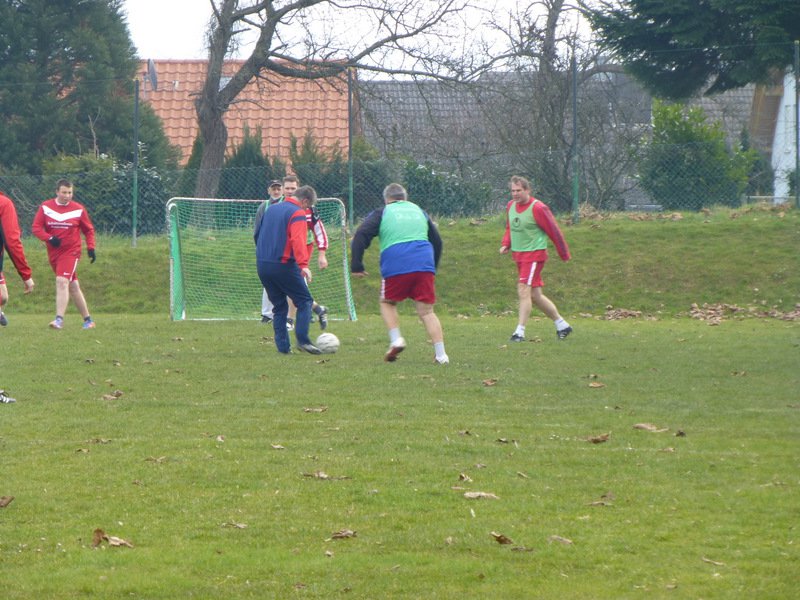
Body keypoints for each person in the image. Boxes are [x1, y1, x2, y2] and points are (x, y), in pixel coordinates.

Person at [350, 182, 448, 364]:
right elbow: (438, 241)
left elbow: (361, 234)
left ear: (387, 199)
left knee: (387, 302)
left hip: (397, 261)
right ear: (405, 198)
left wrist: (356, 264)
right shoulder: (419, 211)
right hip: (424, 263)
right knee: (426, 312)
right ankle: (441, 355)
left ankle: (396, 339)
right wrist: (432, 267)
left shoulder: (383, 212)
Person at [499, 175, 572, 342]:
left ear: (527, 190)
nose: (515, 194)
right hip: (519, 255)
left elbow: (554, 231)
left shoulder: (538, 208)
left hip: (534, 255)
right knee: (535, 296)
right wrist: (506, 244)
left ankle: (519, 332)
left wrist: (564, 253)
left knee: (523, 289)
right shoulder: (510, 206)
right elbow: (511, 227)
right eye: (512, 191)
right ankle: (562, 325)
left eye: (518, 190)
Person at [255, 184, 322, 354]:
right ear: (305, 201)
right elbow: (298, 240)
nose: (306, 209)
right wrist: (304, 265)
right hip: (283, 264)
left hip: (263, 264)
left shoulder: (271, 209)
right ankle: (303, 341)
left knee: (279, 307)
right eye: (307, 206)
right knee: (305, 301)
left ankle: (284, 349)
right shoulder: (297, 213)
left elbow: (257, 234)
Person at [32, 179, 97, 330]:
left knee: (61, 281)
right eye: (64, 192)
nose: (67, 195)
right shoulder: (46, 207)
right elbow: (36, 227)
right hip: (54, 253)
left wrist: (91, 247)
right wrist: (49, 238)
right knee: (73, 286)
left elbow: (88, 230)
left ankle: (58, 320)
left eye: (70, 192)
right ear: (57, 192)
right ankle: (88, 321)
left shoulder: (78, 209)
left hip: (71, 252)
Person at [0, 191, 35, 325]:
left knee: (3, 297)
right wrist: (26, 276)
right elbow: (12, 241)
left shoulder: (3, 203)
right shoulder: (4, 203)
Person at [257, 179, 286, 323]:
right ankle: (267, 314)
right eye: (273, 189)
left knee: (292, 281)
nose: (276, 191)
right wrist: (260, 247)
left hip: (285, 249)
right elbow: (258, 229)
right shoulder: (264, 206)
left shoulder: (288, 205)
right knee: (268, 281)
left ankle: (299, 312)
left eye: (278, 188)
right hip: (268, 250)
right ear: (269, 190)